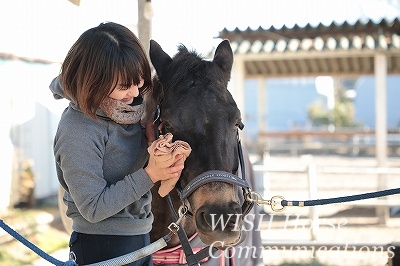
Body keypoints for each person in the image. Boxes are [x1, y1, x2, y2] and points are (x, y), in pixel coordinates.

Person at [50, 22, 185, 266]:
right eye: (124, 85)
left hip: (142, 235)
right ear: (93, 81)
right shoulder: (77, 130)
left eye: (139, 81)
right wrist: (151, 173)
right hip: (101, 245)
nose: (134, 93)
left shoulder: (128, 113)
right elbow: (92, 207)